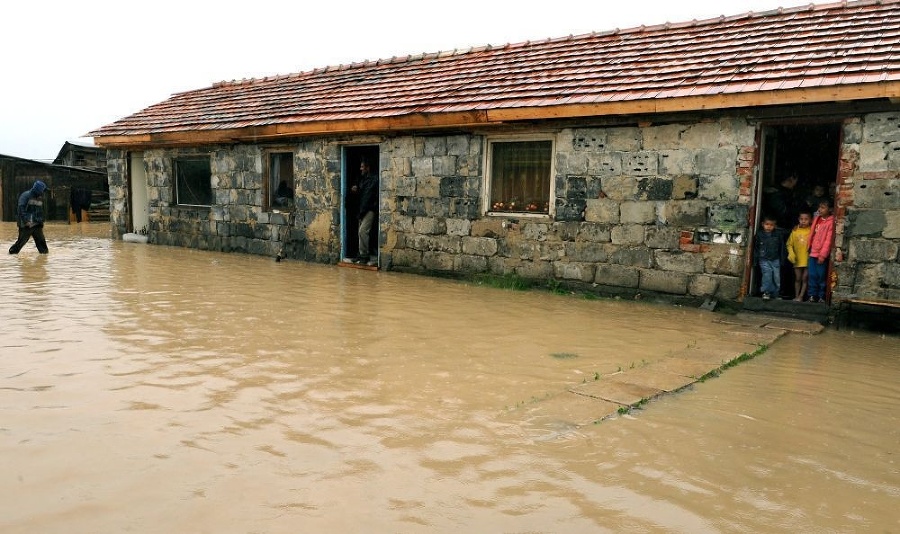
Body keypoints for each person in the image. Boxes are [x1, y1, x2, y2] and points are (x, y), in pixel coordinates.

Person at [9, 180, 49, 254]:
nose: (43, 192)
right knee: (21, 242)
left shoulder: (39, 198)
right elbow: (21, 209)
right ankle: (12, 254)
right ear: (38, 189)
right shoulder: (25, 195)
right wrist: (26, 221)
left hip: (37, 224)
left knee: (42, 242)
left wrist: (41, 222)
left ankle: (44, 258)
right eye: (42, 190)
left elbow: (40, 211)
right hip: (26, 224)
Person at [807, 201, 835, 303]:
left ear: (830, 209)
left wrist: (822, 255)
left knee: (821, 276)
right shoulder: (817, 219)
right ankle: (812, 295)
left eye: (823, 207)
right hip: (812, 252)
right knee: (812, 275)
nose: (820, 210)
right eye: (819, 207)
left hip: (820, 254)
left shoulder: (831, 222)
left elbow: (828, 240)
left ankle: (821, 296)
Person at [351, 159, 378, 265]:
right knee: (360, 232)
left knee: (363, 231)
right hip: (362, 209)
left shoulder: (373, 179)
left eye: (362, 167)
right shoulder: (363, 179)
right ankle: (361, 253)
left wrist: (362, 211)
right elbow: (361, 194)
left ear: (367, 167)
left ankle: (364, 255)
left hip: (369, 209)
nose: (360, 169)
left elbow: (368, 196)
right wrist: (356, 189)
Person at [754, 215, 786, 301]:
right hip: (763, 259)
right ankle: (766, 292)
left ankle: (775, 294)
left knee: (776, 277)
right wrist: (755, 260)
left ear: (775, 226)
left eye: (771, 225)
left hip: (775, 259)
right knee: (767, 275)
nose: (769, 226)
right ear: (762, 224)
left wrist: (782, 260)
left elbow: (782, 248)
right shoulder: (759, 234)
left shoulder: (778, 234)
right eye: (767, 224)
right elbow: (756, 248)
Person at [786, 210, 813, 301]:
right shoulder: (795, 231)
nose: (803, 221)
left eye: (806, 219)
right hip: (797, 258)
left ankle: (801, 296)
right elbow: (789, 244)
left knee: (805, 278)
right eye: (801, 219)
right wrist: (791, 253)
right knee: (798, 278)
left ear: (810, 220)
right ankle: (796, 296)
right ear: (798, 219)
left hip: (808, 258)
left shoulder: (812, 230)